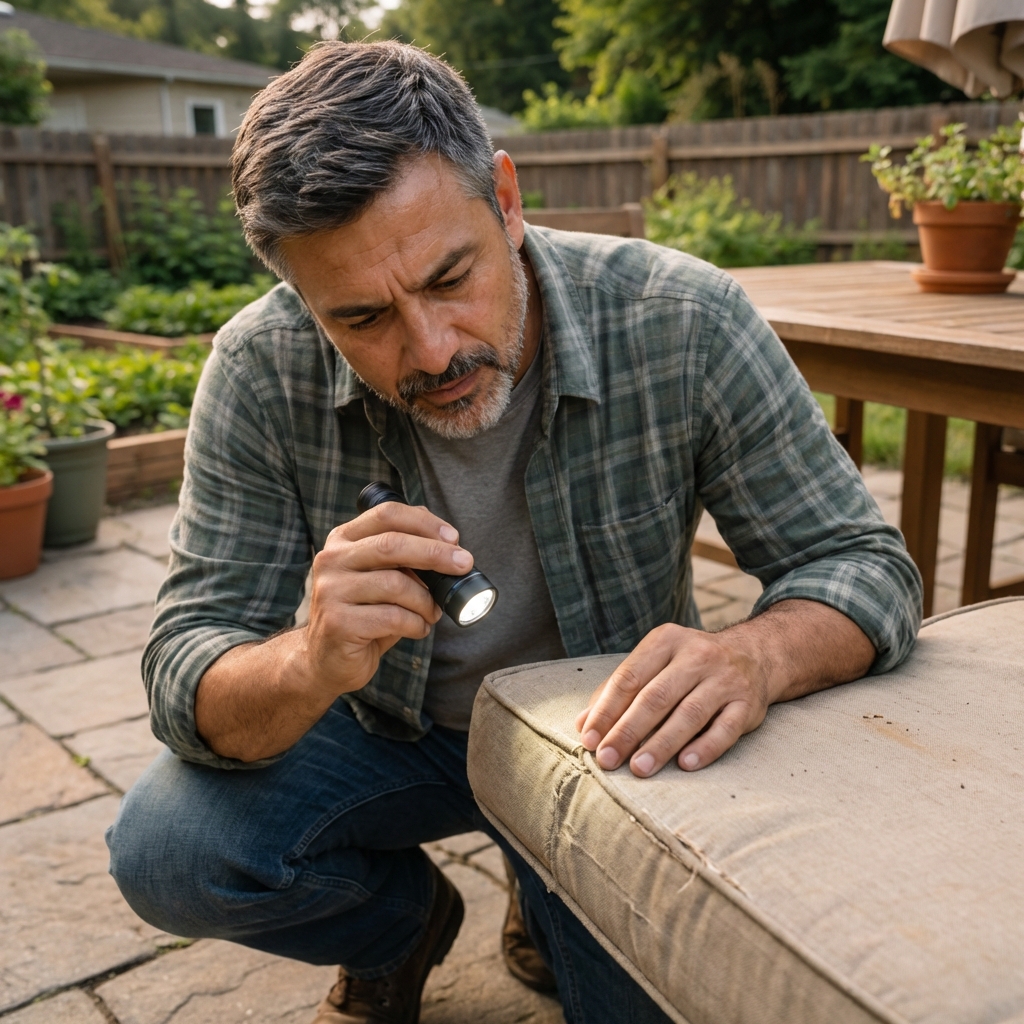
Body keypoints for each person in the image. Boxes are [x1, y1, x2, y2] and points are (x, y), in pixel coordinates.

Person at [105, 41, 923, 1024]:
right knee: (168, 853)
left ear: (505, 195)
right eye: (361, 318)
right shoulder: (256, 370)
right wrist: (309, 660)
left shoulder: (681, 317)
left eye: (451, 276)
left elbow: (860, 563)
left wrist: (755, 654)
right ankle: (400, 926)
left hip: (602, 744)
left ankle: (546, 891)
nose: (431, 348)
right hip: (388, 738)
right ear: (300, 297)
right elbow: (184, 664)